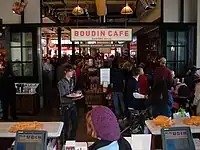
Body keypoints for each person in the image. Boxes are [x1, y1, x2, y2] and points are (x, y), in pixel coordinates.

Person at [57, 64, 78, 140]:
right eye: (70, 71)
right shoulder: (61, 83)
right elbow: (62, 95)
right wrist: (72, 96)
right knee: (65, 125)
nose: (72, 72)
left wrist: (76, 95)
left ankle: (72, 139)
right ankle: (65, 140)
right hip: (65, 106)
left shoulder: (72, 81)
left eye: (72, 71)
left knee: (75, 123)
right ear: (65, 72)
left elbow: (72, 91)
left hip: (72, 104)